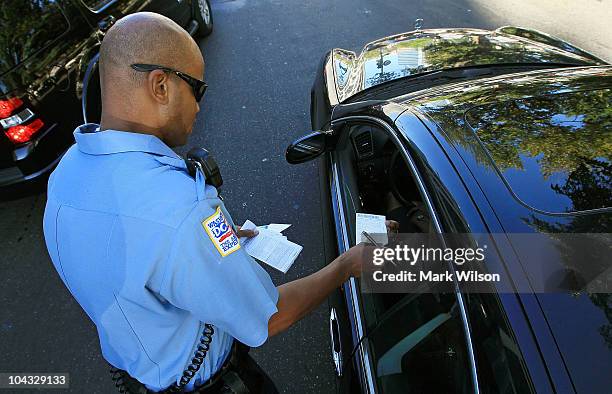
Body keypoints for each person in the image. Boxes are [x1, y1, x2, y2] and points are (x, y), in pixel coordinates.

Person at [42, 12, 393, 393]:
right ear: (160, 86)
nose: (198, 106)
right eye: (197, 89)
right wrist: (350, 263)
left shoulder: (66, 175)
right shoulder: (183, 211)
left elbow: (130, 259)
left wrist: (211, 245)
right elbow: (269, 317)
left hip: (137, 374)